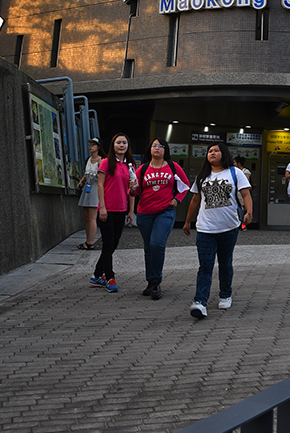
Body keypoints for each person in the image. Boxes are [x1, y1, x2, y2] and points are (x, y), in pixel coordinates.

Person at [183, 141, 253, 318]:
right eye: (209, 151)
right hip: (205, 228)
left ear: (224, 153)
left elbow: (246, 194)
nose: (212, 153)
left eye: (216, 150)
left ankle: (225, 294)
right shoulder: (202, 176)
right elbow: (195, 200)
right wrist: (187, 221)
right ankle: (200, 301)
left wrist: (249, 212)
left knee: (225, 263)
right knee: (205, 266)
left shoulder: (235, 172)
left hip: (229, 227)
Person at [134, 139, 190, 300]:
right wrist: (131, 187)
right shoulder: (143, 169)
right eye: (154, 146)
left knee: (157, 244)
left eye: (161, 146)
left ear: (166, 150)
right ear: (149, 149)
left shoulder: (173, 166)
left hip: (165, 212)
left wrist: (177, 199)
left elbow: (186, 184)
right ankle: (150, 282)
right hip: (144, 212)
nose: (157, 148)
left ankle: (156, 281)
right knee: (148, 248)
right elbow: (134, 191)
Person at [89, 134, 137, 292]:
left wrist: (131, 211)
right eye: (118, 142)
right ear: (113, 145)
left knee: (113, 246)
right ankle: (109, 277)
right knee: (108, 244)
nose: (121, 145)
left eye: (124, 142)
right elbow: (100, 186)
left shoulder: (130, 166)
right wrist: (102, 207)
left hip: (121, 210)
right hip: (106, 211)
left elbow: (131, 191)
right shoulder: (105, 162)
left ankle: (97, 275)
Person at [76, 137, 103, 249]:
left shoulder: (101, 161)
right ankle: (88, 240)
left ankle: (90, 242)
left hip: (95, 188)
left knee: (92, 216)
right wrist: (81, 182)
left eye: (93, 144)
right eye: (90, 144)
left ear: (98, 147)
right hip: (87, 188)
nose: (90, 147)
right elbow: (86, 173)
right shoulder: (88, 159)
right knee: (86, 216)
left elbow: (103, 177)